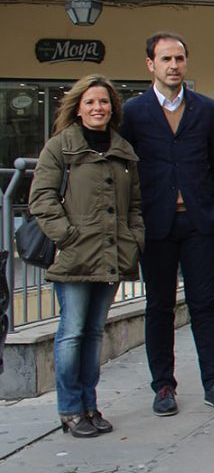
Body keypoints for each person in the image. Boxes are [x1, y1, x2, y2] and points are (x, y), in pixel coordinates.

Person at [121, 32, 214, 416]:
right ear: (150, 64)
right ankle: (164, 386)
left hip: (199, 222)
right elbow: (126, 168)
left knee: (204, 305)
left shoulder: (205, 108)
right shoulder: (133, 112)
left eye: (180, 59)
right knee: (159, 307)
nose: (174, 66)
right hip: (156, 224)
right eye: (166, 59)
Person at [29, 75, 144, 437]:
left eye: (105, 102)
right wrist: (67, 237)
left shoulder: (123, 150)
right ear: (78, 107)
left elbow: (135, 205)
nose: (98, 108)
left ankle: (90, 405)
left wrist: (134, 239)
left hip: (112, 255)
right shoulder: (60, 147)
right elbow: (42, 199)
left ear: (113, 108)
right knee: (72, 332)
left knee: (94, 333)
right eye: (91, 102)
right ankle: (70, 409)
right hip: (75, 256)